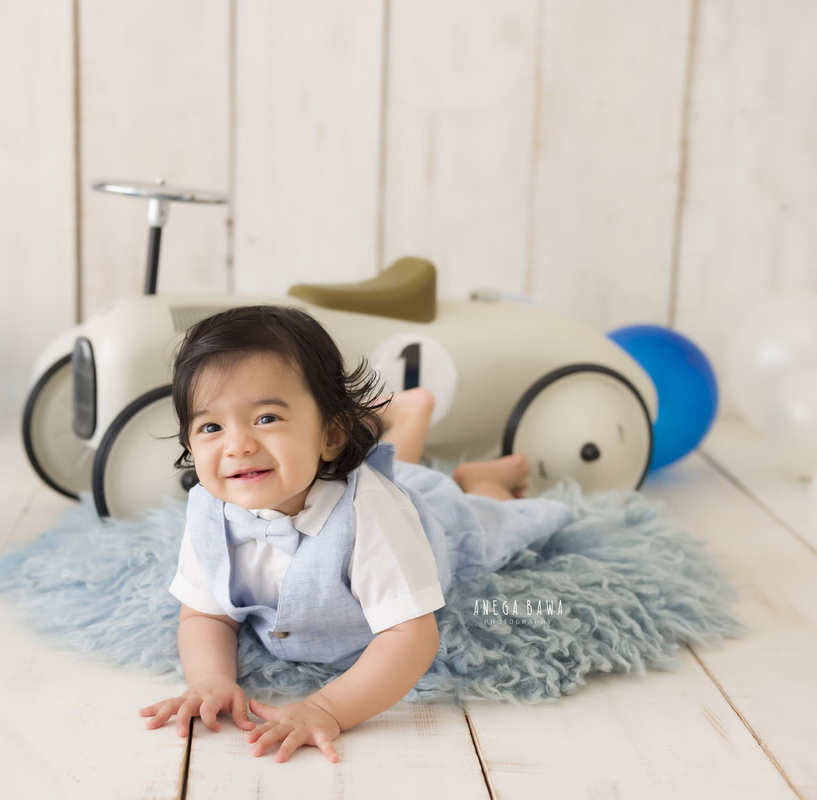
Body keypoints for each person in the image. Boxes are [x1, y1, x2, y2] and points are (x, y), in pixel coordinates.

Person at [138, 305, 572, 764]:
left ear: (330, 434)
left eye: (266, 418)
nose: (238, 444)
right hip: (348, 479)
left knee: (487, 523)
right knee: (398, 468)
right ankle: (407, 420)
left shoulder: (373, 514)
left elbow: (410, 634)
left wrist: (327, 707)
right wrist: (211, 679)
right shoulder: (210, 511)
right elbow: (206, 616)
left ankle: (484, 481)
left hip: (437, 521)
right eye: (211, 427)